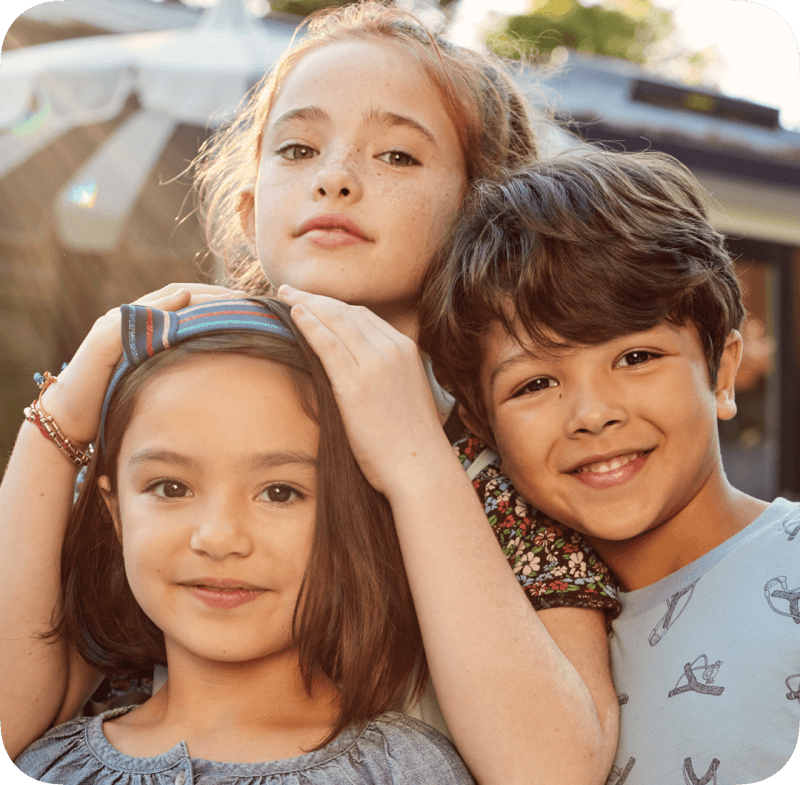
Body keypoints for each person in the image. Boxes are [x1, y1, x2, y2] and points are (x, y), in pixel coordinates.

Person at [0, 4, 619, 783]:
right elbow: (15, 712)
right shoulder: (175, 419)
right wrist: (58, 418)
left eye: (396, 155)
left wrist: (415, 458)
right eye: (298, 147)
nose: (335, 176)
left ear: (477, 213)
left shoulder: (511, 474)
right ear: (251, 210)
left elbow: (552, 768)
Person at [416, 147, 800, 783]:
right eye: (535, 384)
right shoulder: (481, 630)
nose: (592, 414)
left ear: (722, 372)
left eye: (636, 358)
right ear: (484, 427)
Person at [12, 297, 475, 784]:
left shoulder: (406, 771)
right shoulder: (47, 765)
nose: (219, 538)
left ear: (349, 517)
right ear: (117, 516)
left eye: (279, 492)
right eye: (171, 487)